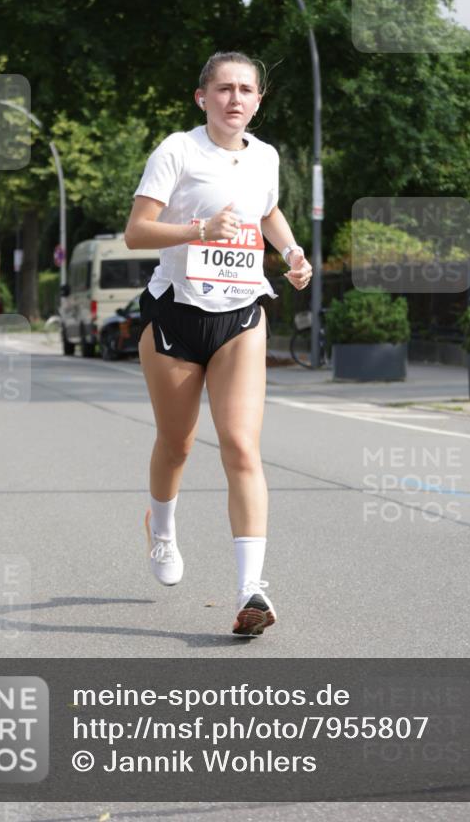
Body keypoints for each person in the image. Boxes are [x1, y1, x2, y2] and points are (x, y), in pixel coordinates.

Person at [125, 51, 312, 636]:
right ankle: (160, 531)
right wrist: (197, 231)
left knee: (240, 446)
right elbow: (137, 231)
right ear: (201, 96)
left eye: (246, 90)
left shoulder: (267, 157)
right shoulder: (178, 150)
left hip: (241, 314)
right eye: (224, 88)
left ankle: (251, 588)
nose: (235, 99)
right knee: (177, 445)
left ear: (259, 100)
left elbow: (269, 210)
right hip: (176, 317)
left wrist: (291, 252)